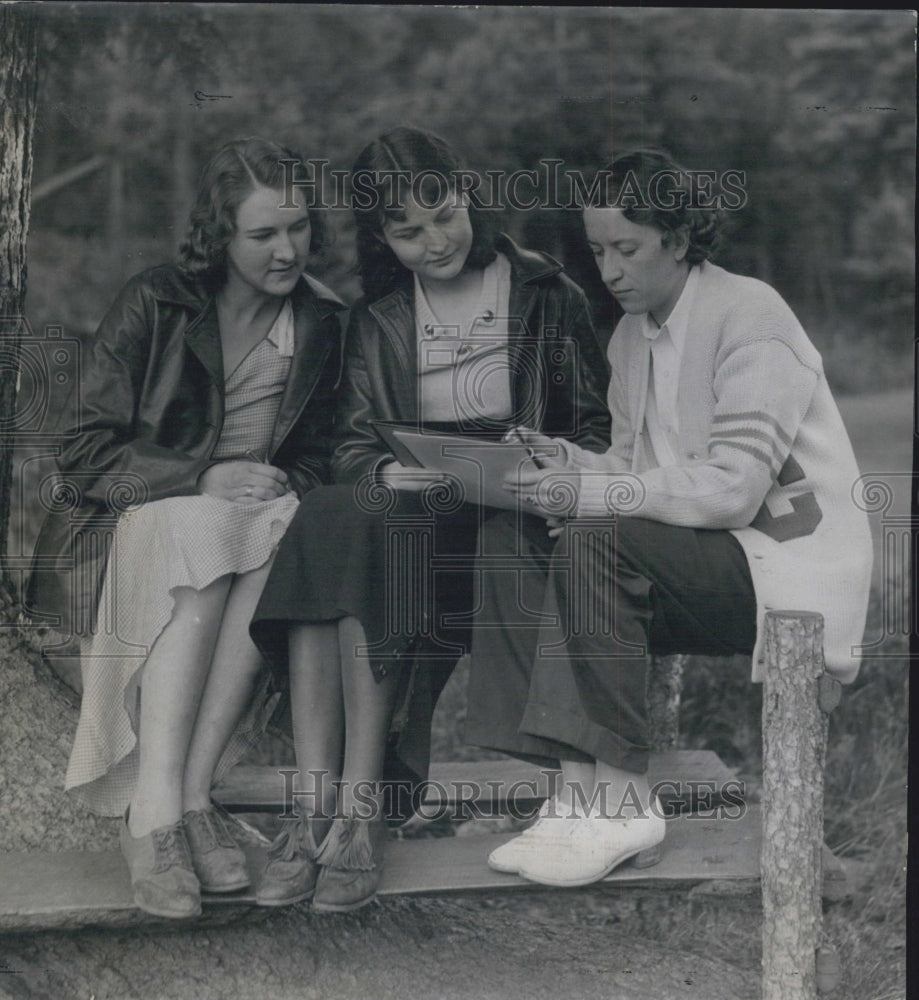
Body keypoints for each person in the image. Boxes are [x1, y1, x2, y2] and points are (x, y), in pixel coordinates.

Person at [463, 149, 873, 887]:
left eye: (627, 248)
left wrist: (591, 497)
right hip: (699, 557)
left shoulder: (750, 313)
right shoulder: (631, 336)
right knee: (510, 531)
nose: (609, 269)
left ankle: (621, 797)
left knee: (597, 532)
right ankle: (573, 789)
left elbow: (732, 490)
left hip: (782, 567)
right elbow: (632, 472)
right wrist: (564, 463)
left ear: (678, 240)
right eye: (596, 251)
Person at [249, 126, 610, 912]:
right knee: (337, 511)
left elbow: (593, 428)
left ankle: (354, 807)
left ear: (465, 193)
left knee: (360, 524)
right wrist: (383, 466)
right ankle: (325, 811)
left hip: (507, 522)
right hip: (411, 506)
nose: (434, 242)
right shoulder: (377, 316)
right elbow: (349, 441)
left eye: (443, 215)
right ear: (381, 237)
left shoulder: (547, 294)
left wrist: (552, 464)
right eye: (406, 233)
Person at [25, 138, 345, 918]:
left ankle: (191, 798)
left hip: (250, 522)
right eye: (262, 234)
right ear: (219, 234)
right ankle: (156, 812)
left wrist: (275, 486)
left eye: (297, 229)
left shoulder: (323, 321)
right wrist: (201, 477)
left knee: (284, 539)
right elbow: (83, 448)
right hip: (131, 520)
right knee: (202, 528)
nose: (285, 249)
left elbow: (321, 453)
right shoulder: (157, 301)